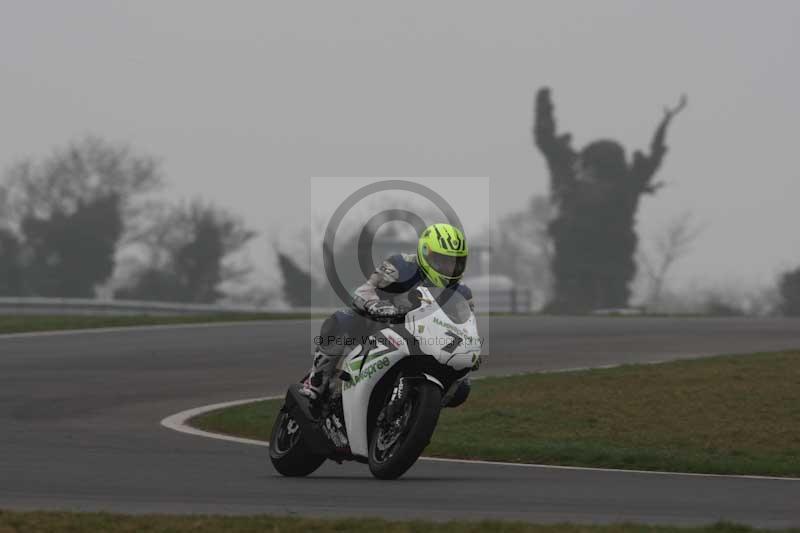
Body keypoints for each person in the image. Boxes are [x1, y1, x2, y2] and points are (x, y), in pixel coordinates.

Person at [301, 223, 474, 402]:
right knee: (343, 318)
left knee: (462, 387)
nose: (448, 267)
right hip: (382, 329)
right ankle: (317, 380)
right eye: (442, 260)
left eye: (454, 261)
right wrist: (378, 306)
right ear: (425, 252)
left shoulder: (463, 293)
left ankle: (415, 408)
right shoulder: (400, 265)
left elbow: (467, 327)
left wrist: (470, 350)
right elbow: (364, 291)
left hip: (427, 345)